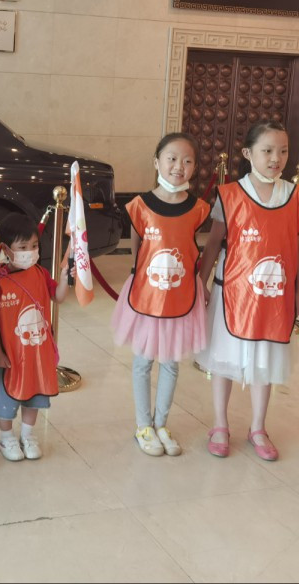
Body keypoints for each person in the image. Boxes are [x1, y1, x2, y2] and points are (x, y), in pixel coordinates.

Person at [196, 121, 299, 461]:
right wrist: (201, 281)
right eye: (268, 150)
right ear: (248, 153)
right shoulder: (231, 194)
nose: (276, 158)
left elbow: (298, 248)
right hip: (232, 293)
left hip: (273, 298)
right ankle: (220, 424)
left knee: (266, 360)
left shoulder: (296, 197)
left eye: (283, 151)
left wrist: (298, 291)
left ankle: (258, 427)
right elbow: (213, 243)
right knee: (224, 358)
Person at [111, 133, 210, 456]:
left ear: (194, 167)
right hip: (147, 296)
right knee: (143, 362)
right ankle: (143, 425)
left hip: (181, 295)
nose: (179, 166)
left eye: (187, 160)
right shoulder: (140, 206)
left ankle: (162, 423)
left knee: (171, 362)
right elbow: (137, 249)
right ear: (157, 162)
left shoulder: (198, 209)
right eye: (172, 158)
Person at [0, 213, 72, 461]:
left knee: (35, 395)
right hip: (9, 355)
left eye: (34, 246)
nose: (31, 252)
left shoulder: (40, 273)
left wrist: (65, 278)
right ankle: (6, 438)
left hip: (38, 352)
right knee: (6, 397)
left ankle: (28, 435)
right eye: (23, 247)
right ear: (6, 249)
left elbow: (58, 297)